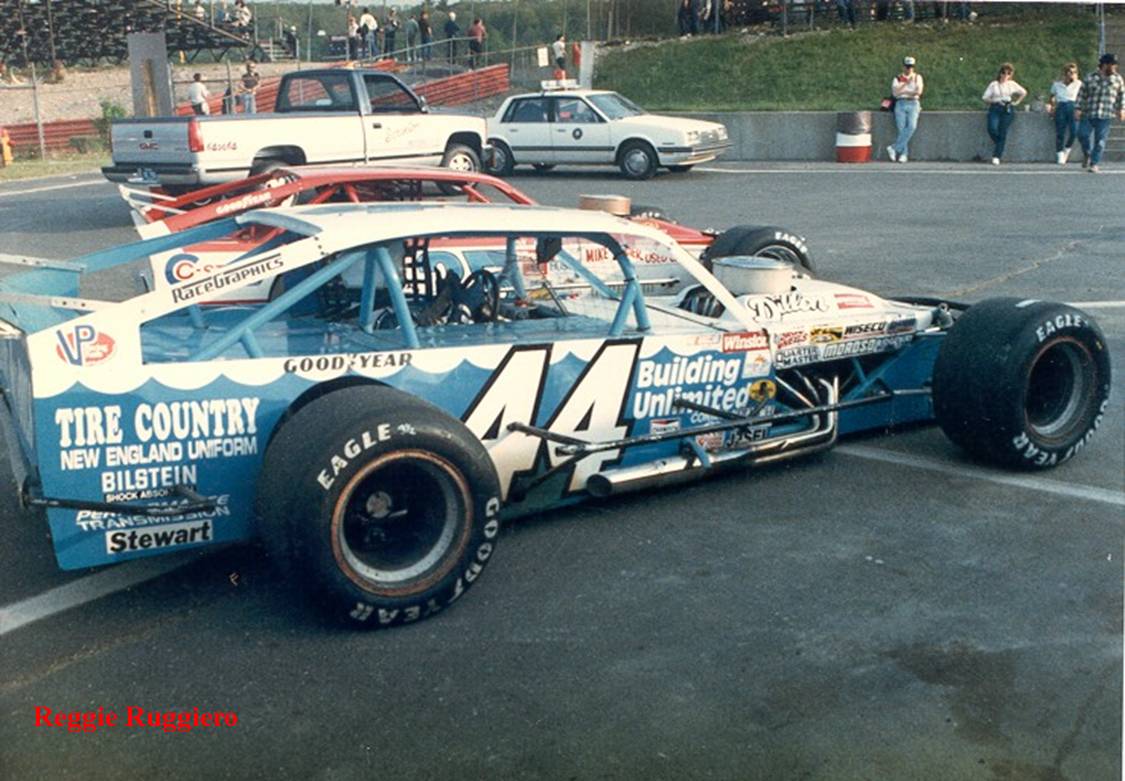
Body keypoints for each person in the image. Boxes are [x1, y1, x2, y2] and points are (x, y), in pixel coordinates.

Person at [1076, 53, 1125, 174]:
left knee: (1100, 141)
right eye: (1112, 65)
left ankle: (1094, 163)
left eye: (1115, 65)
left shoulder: (1117, 79)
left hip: (1106, 114)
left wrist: (1121, 109)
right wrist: (1078, 108)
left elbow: (1121, 95)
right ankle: (1087, 153)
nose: (1114, 68)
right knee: (1082, 135)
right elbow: (1082, 94)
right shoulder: (1090, 77)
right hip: (1089, 112)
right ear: (1104, 65)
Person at [981, 62, 1027, 165]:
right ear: (1000, 73)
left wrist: (1017, 102)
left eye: (1008, 73)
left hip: (1007, 108)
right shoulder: (994, 84)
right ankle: (999, 144)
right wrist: (994, 101)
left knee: (1003, 131)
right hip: (995, 107)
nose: (1005, 75)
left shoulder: (1012, 84)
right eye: (1003, 72)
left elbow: (1023, 92)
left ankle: (997, 155)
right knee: (992, 128)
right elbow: (985, 97)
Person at [886, 56, 924, 163]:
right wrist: (906, 85)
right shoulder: (897, 78)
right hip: (900, 104)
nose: (909, 69)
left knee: (912, 126)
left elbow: (918, 92)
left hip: (913, 103)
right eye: (907, 67)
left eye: (911, 67)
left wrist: (903, 90)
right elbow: (895, 93)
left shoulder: (917, 77)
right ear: (903, 67)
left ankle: (894, 148)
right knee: (901, 129)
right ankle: (904, 154)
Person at [1047, 62, 1081, 165]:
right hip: (1061, 106)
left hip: (1073, 105)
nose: (1072, 74)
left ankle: (1067, 149)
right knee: (1060, 132)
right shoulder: (1057, 85)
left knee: (1074, 131)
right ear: (1065, 73)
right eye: (1070, 72)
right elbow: (1051, 97)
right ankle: (1060, 153)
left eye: (1074, 72)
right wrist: (1051, 106)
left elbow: (1082, 96)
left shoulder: (1078, 84)